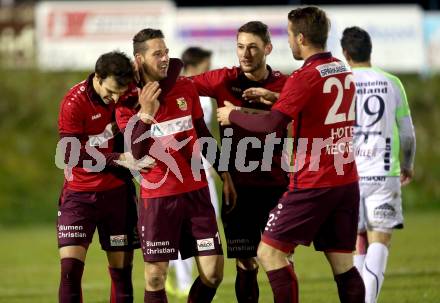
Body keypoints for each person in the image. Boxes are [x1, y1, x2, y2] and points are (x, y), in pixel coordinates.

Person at [217, 7, 365, 303]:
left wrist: (234, 115)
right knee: (344, 266)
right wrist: (275, 98)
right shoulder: (341, 70)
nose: (288, 42)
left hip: (313, 182)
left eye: (288, 35)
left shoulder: (304, 76)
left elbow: (272, 123)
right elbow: (318, 109)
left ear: (300, 37)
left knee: (268, 253)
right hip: (345, 180)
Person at [118, 28, 236, 303]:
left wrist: (223, 172)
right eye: (157, 53)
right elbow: (135, 151)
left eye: (166, 52)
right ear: (140, 58)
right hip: (158, 199)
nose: (164, 58)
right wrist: (146, 113)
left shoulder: (185, 88)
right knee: (156, 277)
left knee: (213, 273)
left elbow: (202, 134)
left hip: (196, 193)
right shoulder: (128, 100)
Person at [190, 21, 289, 303]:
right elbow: (183, 87)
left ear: (267, 49)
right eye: (240, 47)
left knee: (281, 260)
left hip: (276, 187)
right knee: (246, 263)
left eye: (253, 48)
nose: (245, 54)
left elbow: (294, 111)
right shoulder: (223, 79)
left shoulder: (284, 84)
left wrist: (239, 112)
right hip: (238, 189)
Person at [56, 51, 151, 303]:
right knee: (70, 272)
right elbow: (69, 153)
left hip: (117, 195)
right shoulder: (74, 102)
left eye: (121, 91)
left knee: (122, 275)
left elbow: (171, 70)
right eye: (110, 91)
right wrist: (118, 159)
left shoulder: (128, 92)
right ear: (97, 77)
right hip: (79, 196)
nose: (116, 98)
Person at [340, 26, 416, 303]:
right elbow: (407, 133)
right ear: (369, 50)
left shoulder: (341, 82)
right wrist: (407, 163)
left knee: (358, 242)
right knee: (379, 243)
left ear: (345, 54)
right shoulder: (392, 82)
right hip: (384, 174)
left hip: (348, 176)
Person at [166, 46, 219, 298]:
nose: (208, 72)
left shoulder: (205, 96)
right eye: (206, 67)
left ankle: (200, 278)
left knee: (209, 226)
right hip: (181, 173)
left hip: (203, 171)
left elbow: (203, 133)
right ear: (195, 66)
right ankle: (183, 280)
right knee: (180, 228)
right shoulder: (179, 92)